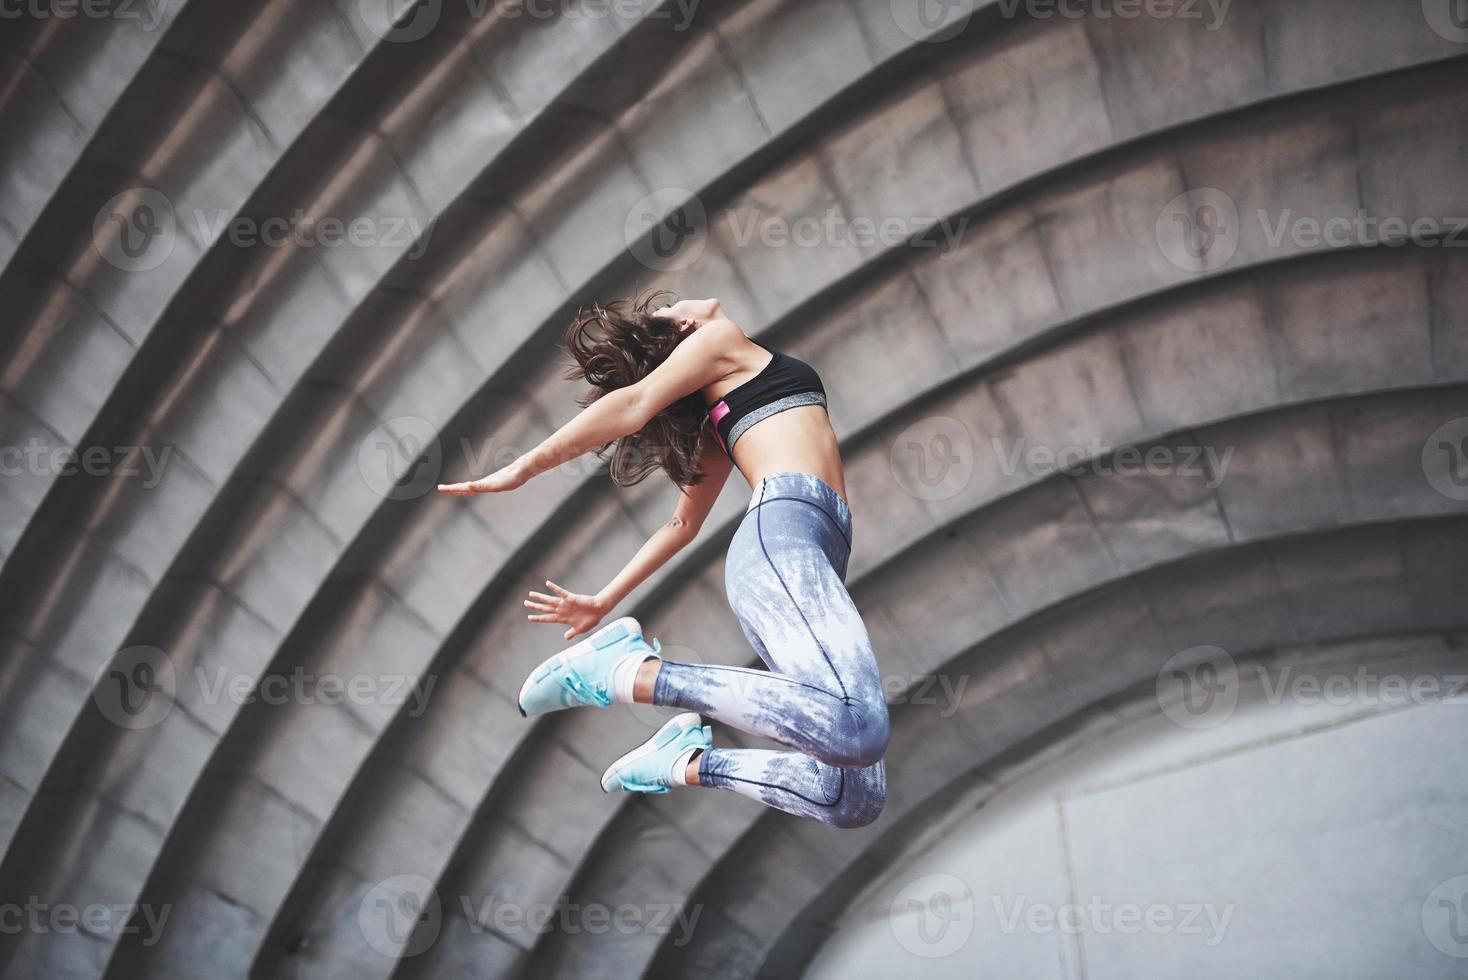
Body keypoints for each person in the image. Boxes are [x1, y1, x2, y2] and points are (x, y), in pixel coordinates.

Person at [438, 292, 888, 828]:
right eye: (674, 307)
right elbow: (633, 404)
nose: (688, 299)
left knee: (851, 797)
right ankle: (632, 674)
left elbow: (681, 525)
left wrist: (603, 600)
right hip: (781, 542)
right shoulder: (719, 341)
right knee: (859, 729)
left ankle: (685, 761)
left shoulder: (722, 415)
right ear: (684, 332)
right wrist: (526, 467)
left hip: (809, 553)